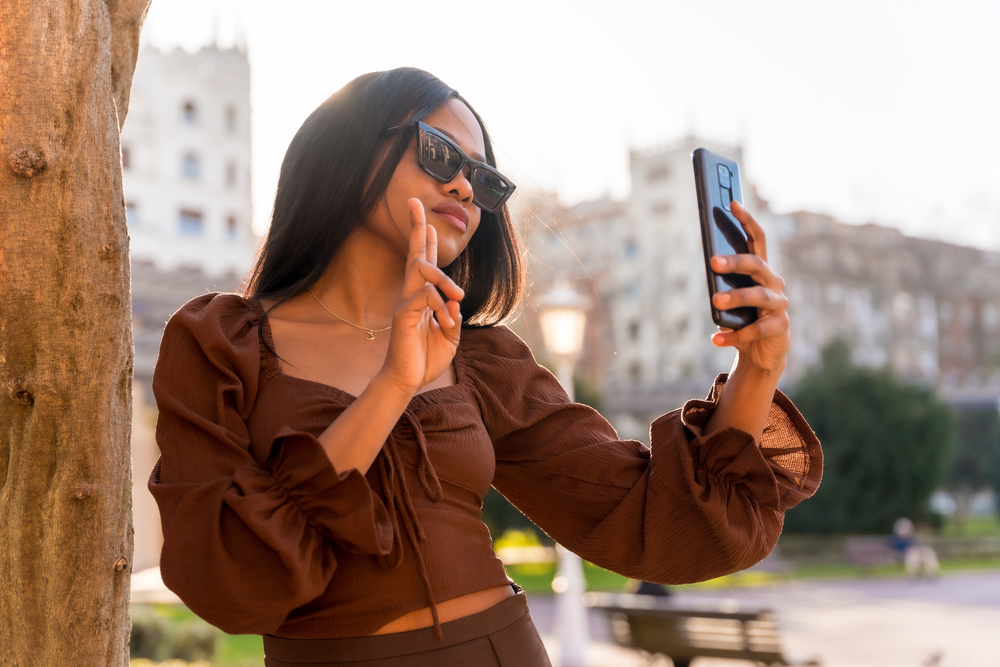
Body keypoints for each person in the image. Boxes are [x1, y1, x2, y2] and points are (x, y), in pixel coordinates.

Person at [148, 68, 823, 667]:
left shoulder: (484, 360)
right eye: (440, 152)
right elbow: (223, 575)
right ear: (348, 151)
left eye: (487, 179)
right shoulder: (221, 343)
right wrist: (394, 385)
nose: (465, 186)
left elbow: (641, 515)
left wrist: (756, 372)